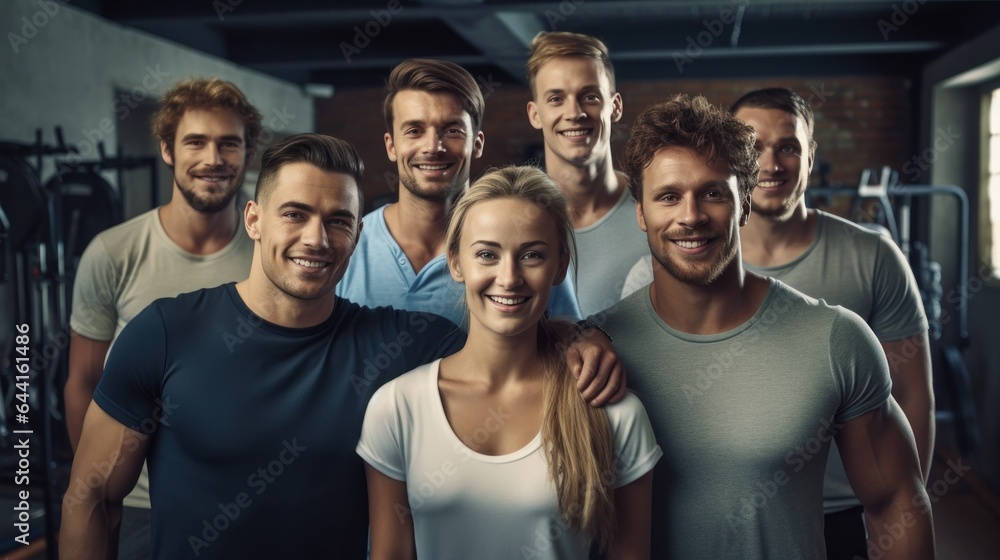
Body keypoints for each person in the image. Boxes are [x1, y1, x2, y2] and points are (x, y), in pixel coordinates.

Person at [60, 134, 622, 560]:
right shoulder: (165, 333)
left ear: (357, 232)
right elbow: (89, 498)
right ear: (254, 219)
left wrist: (577, 332)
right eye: (295, 215)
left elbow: (504, 333)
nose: (317, 239)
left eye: (338, 221)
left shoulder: (401, 345)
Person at [602, 94, 933, 559]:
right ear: (641, 212)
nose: (691, 215)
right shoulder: (598, 346)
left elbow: (896, 500)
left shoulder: (835, 338)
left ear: (743, 204)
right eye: (668, 196)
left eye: (714, 192)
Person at [358, 166, 660, 559]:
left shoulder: (613, 413)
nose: (509, 277)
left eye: (532, 255)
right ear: (456, 263)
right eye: (487, 254)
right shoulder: (396, 408)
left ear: (560, 266)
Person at [729, 87, 933, 559]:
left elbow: (911, 394)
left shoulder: (873, 256)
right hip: (736, 516)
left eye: (788, 146)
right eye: (753, 146)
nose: (771, 163)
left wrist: (904, 512)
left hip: (847, 513)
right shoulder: (701, 263)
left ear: (810, 155)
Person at [62, 77, 261, 559]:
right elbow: (83, 381)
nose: (213, 158)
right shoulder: (113, 253)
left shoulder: (270, 257)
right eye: (196, 141)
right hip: (141, 508)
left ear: (247, 152)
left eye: (228, 143)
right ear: (168, 150)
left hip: (248, 500)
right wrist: (97, 493)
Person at [337, 58, 582, 326]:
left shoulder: (523, 238)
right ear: (391, 145)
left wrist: (595, 334)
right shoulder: (348, 247)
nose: (432, 146)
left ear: (476, 144)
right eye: (414, 131)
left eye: (452, 130)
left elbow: (571, 335)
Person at [525, 32, 648, 317]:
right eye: (556, 98)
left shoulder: (657, 208)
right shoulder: (515, 217)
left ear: (615, 106)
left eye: (589, 96)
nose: (575, 113)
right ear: (535, 114)